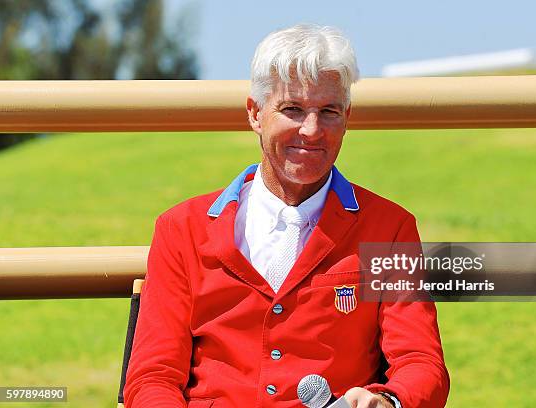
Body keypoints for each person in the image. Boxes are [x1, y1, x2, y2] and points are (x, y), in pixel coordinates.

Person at [124, 24, 449, 408]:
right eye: (292, 109)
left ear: (347, 117)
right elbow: (153, 376)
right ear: (255, 114)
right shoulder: (182, 229)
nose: (311, 130)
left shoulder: (389, 228)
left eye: (328, 112)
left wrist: (389, 402)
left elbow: (420, 362)